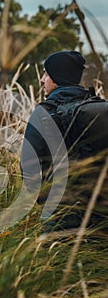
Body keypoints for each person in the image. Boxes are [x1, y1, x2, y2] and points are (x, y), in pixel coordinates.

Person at [20, 50, 107, 232]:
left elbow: (29, 173)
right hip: (102, 220)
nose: (42, 80)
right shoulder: (100, 108)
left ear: (57, 76)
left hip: (61, 222)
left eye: (46, 74)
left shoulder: (43, 114)